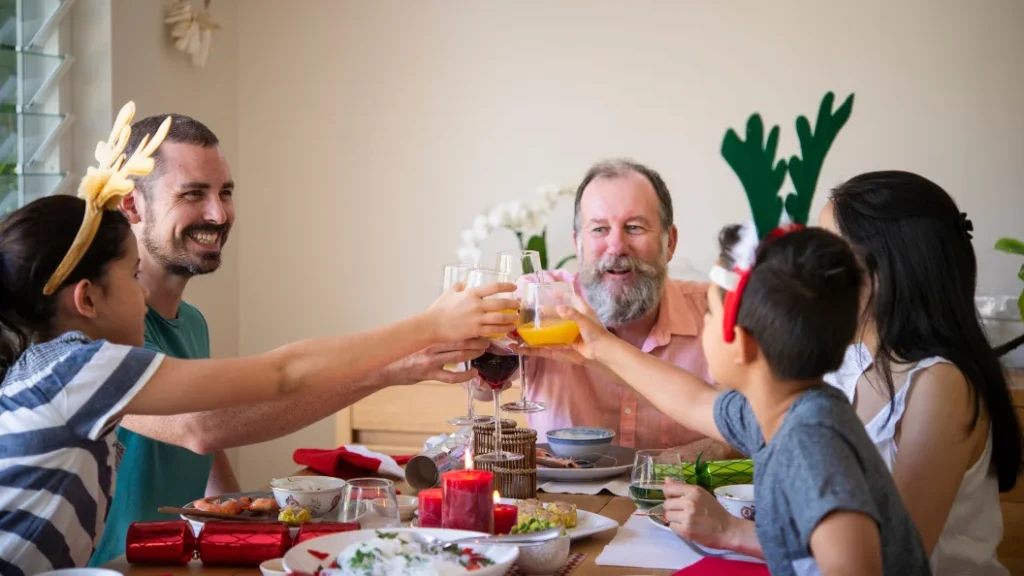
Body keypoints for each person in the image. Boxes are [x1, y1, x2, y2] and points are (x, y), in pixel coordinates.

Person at [0, 195, 517, 574]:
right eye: (134, 276)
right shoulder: (85, 369)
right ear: (87, 300)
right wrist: (429, 325)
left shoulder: (50, 367)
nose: (143, 294)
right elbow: (280, 374)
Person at [90, 113, 488, 566]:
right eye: (193, 194)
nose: (218, 214)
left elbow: (206, 447)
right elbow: (199, 427)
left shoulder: (192, 322)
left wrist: (236, 520)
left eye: (225, 193)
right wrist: (398, 359)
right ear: (132, 205)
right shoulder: (103, 330)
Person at [661, 171, 1022, 575]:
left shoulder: (939, 384)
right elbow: (702, 403)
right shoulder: (845, 365)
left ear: (884, 271)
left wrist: (732, 530)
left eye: (829, 254)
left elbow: (891, 559)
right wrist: (600, 346)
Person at [558, 224, 931, 575]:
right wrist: (600, 345)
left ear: (739, 341)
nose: (704, 325)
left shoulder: (811, 441)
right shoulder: (784, 409)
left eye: (710, 314)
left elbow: (855, 567)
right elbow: (691, 400)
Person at [517, 159, 735, 458]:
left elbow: (748, 428)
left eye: (634, 227)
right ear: (577, 244)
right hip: (561, 504)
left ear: (669, 242)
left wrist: (669, 465)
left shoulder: (717, 312)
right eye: (599, 229)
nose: (616, 245)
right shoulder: (542, 302)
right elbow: (480, 381)